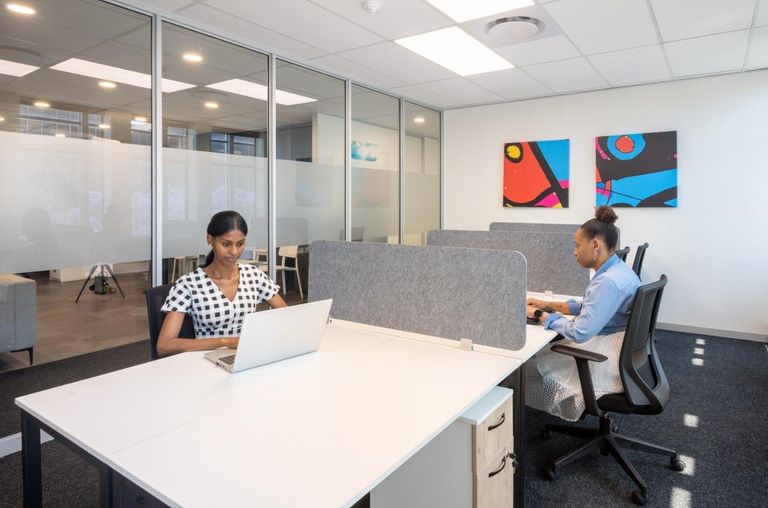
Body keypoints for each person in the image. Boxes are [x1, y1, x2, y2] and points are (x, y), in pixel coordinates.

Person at [524, 206, 640, 421]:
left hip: (605, 360)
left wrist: (539, 314)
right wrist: (548, 304)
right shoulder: (620, 271)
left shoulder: (606, 282)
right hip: (624, 352)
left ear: (595, 246)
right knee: (543, 354)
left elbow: (579, 332)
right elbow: (594, 306)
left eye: (578, 245)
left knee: (527, 367)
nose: (574, 251)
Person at [157, 210, 287, 356]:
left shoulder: (254, 275)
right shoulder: (188, 284)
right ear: (210, 240)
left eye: (240, 244)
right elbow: (164, 345)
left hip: (248, 356)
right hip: (205, 360)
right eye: (226, 244)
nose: (234, 251)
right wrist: (225, 342)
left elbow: (287, 317)